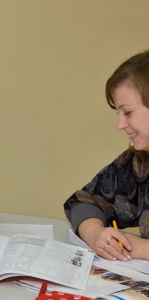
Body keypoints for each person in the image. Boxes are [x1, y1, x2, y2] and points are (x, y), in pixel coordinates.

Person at [64, 50, 149, 262]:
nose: (120, 125)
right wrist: (94, 234)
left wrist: (142, 249)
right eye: (118, 114)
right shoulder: (139, 162)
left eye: (128, 113)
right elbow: (84, 201)